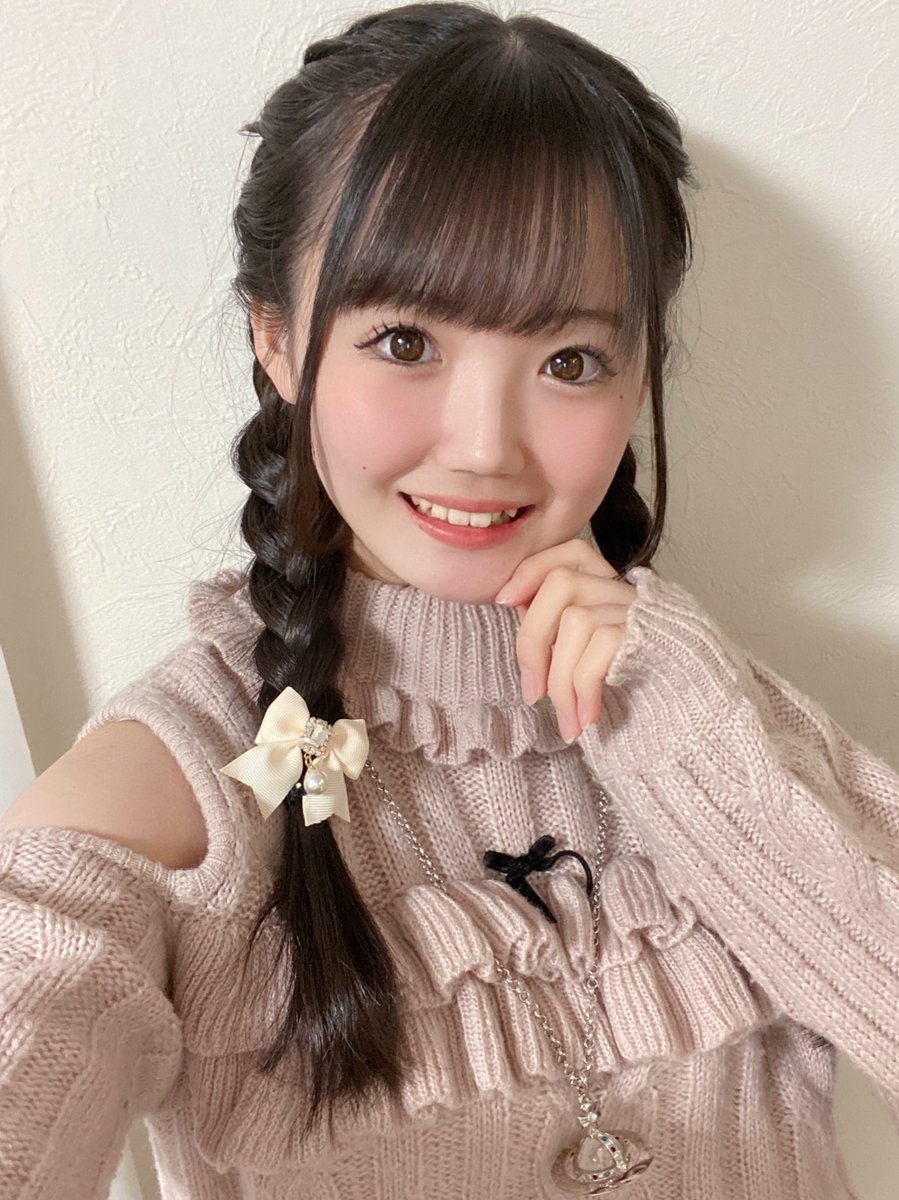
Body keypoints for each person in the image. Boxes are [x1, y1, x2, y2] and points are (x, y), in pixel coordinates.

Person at [1, 2, 897, 1197]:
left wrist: (686, 734)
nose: (483, 447)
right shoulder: (189, 769)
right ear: (277, 339)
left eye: (568, 361)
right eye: (404, 342)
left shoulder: (709, 709)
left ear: (637, 371)